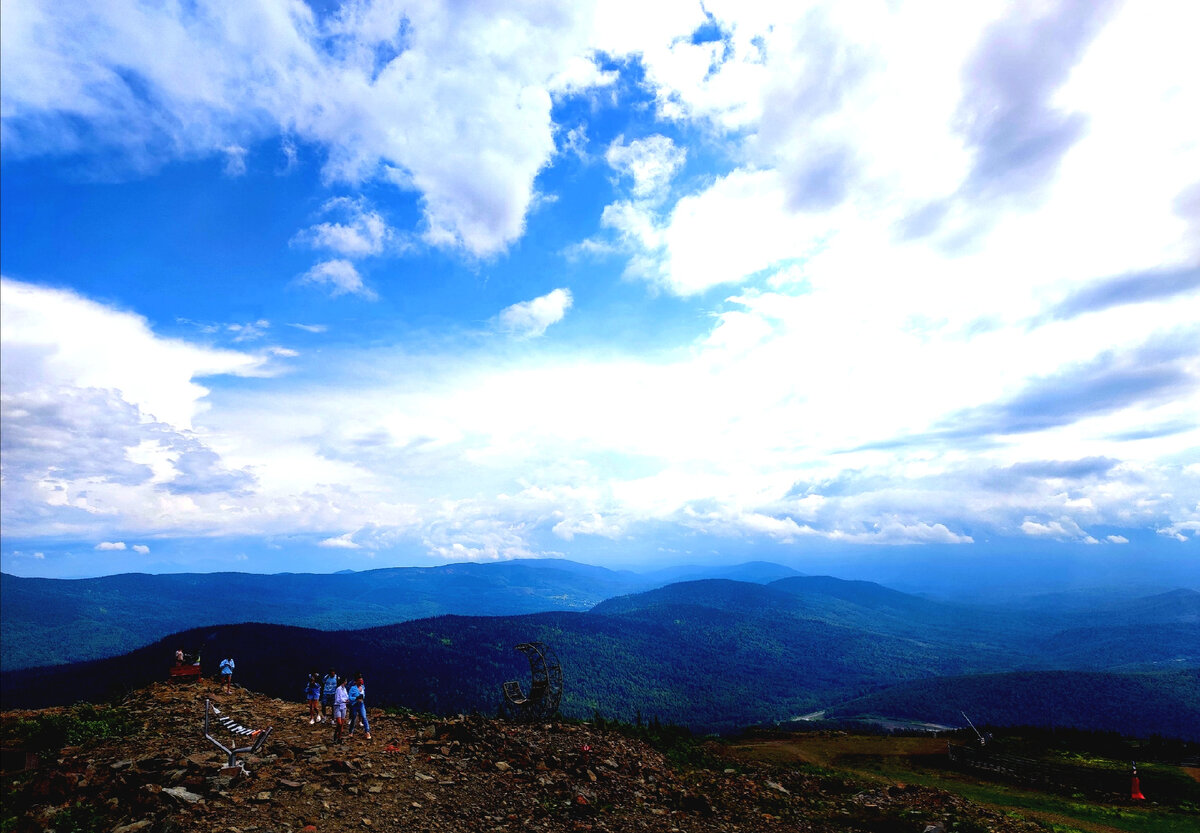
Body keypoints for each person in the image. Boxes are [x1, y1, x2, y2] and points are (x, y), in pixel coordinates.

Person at [347, 672, 371, 740]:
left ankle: (367, 731)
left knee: (364, 717)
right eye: (359, 681)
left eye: (361, 681)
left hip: (361, 704)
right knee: (353, 718)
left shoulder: (363, 687)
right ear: (356, 681)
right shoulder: (352, 688)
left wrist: (362, 697)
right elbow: (349, 698)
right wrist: (356, 698)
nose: (361, 682)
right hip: (355, 705)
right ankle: (351, 731)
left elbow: (364, 695)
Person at [332, 676, 350, 743]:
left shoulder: (344, 689)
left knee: (342, 724)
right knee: (339, 723)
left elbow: (346, 696)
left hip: (343, 707)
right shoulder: (338, 689)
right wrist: (345, 700)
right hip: (338, 706)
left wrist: (347, 700)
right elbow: (338, 699)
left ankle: (339, 737)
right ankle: (336, 734)